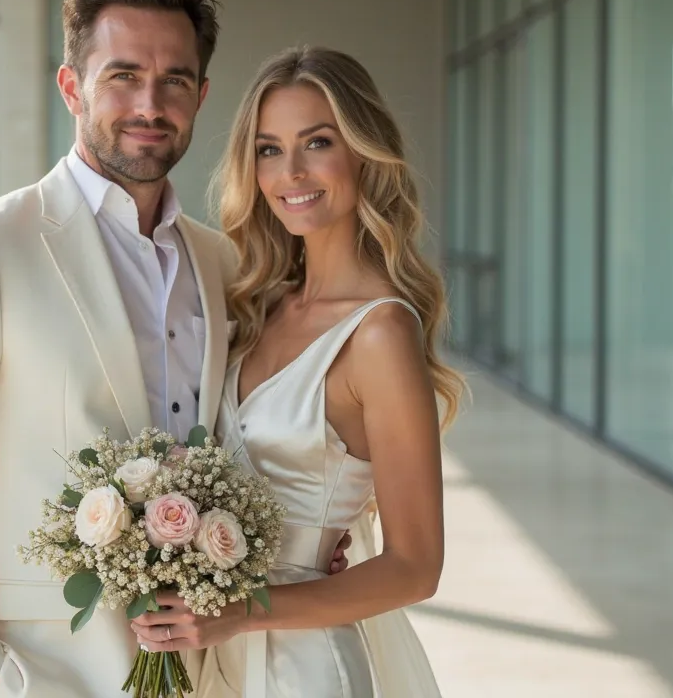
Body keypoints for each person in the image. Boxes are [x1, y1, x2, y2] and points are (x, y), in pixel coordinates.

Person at [0, 0, 350, 698]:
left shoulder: (225, 264)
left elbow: (245, 442)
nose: (149, 104)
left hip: (205, 667)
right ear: (71, 87)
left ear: (201, 96)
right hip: (38, 674)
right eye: (122, 75)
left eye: (175, 81)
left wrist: (301, 546)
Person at [130, 46, 468, 698]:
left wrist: (243, 610)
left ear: (365, 153)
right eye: (268, 149)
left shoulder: (381, 333)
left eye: (317, 142)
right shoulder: (259, 306)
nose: (291, 172)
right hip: (220, 658)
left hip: (306, 669)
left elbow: (415, 568)